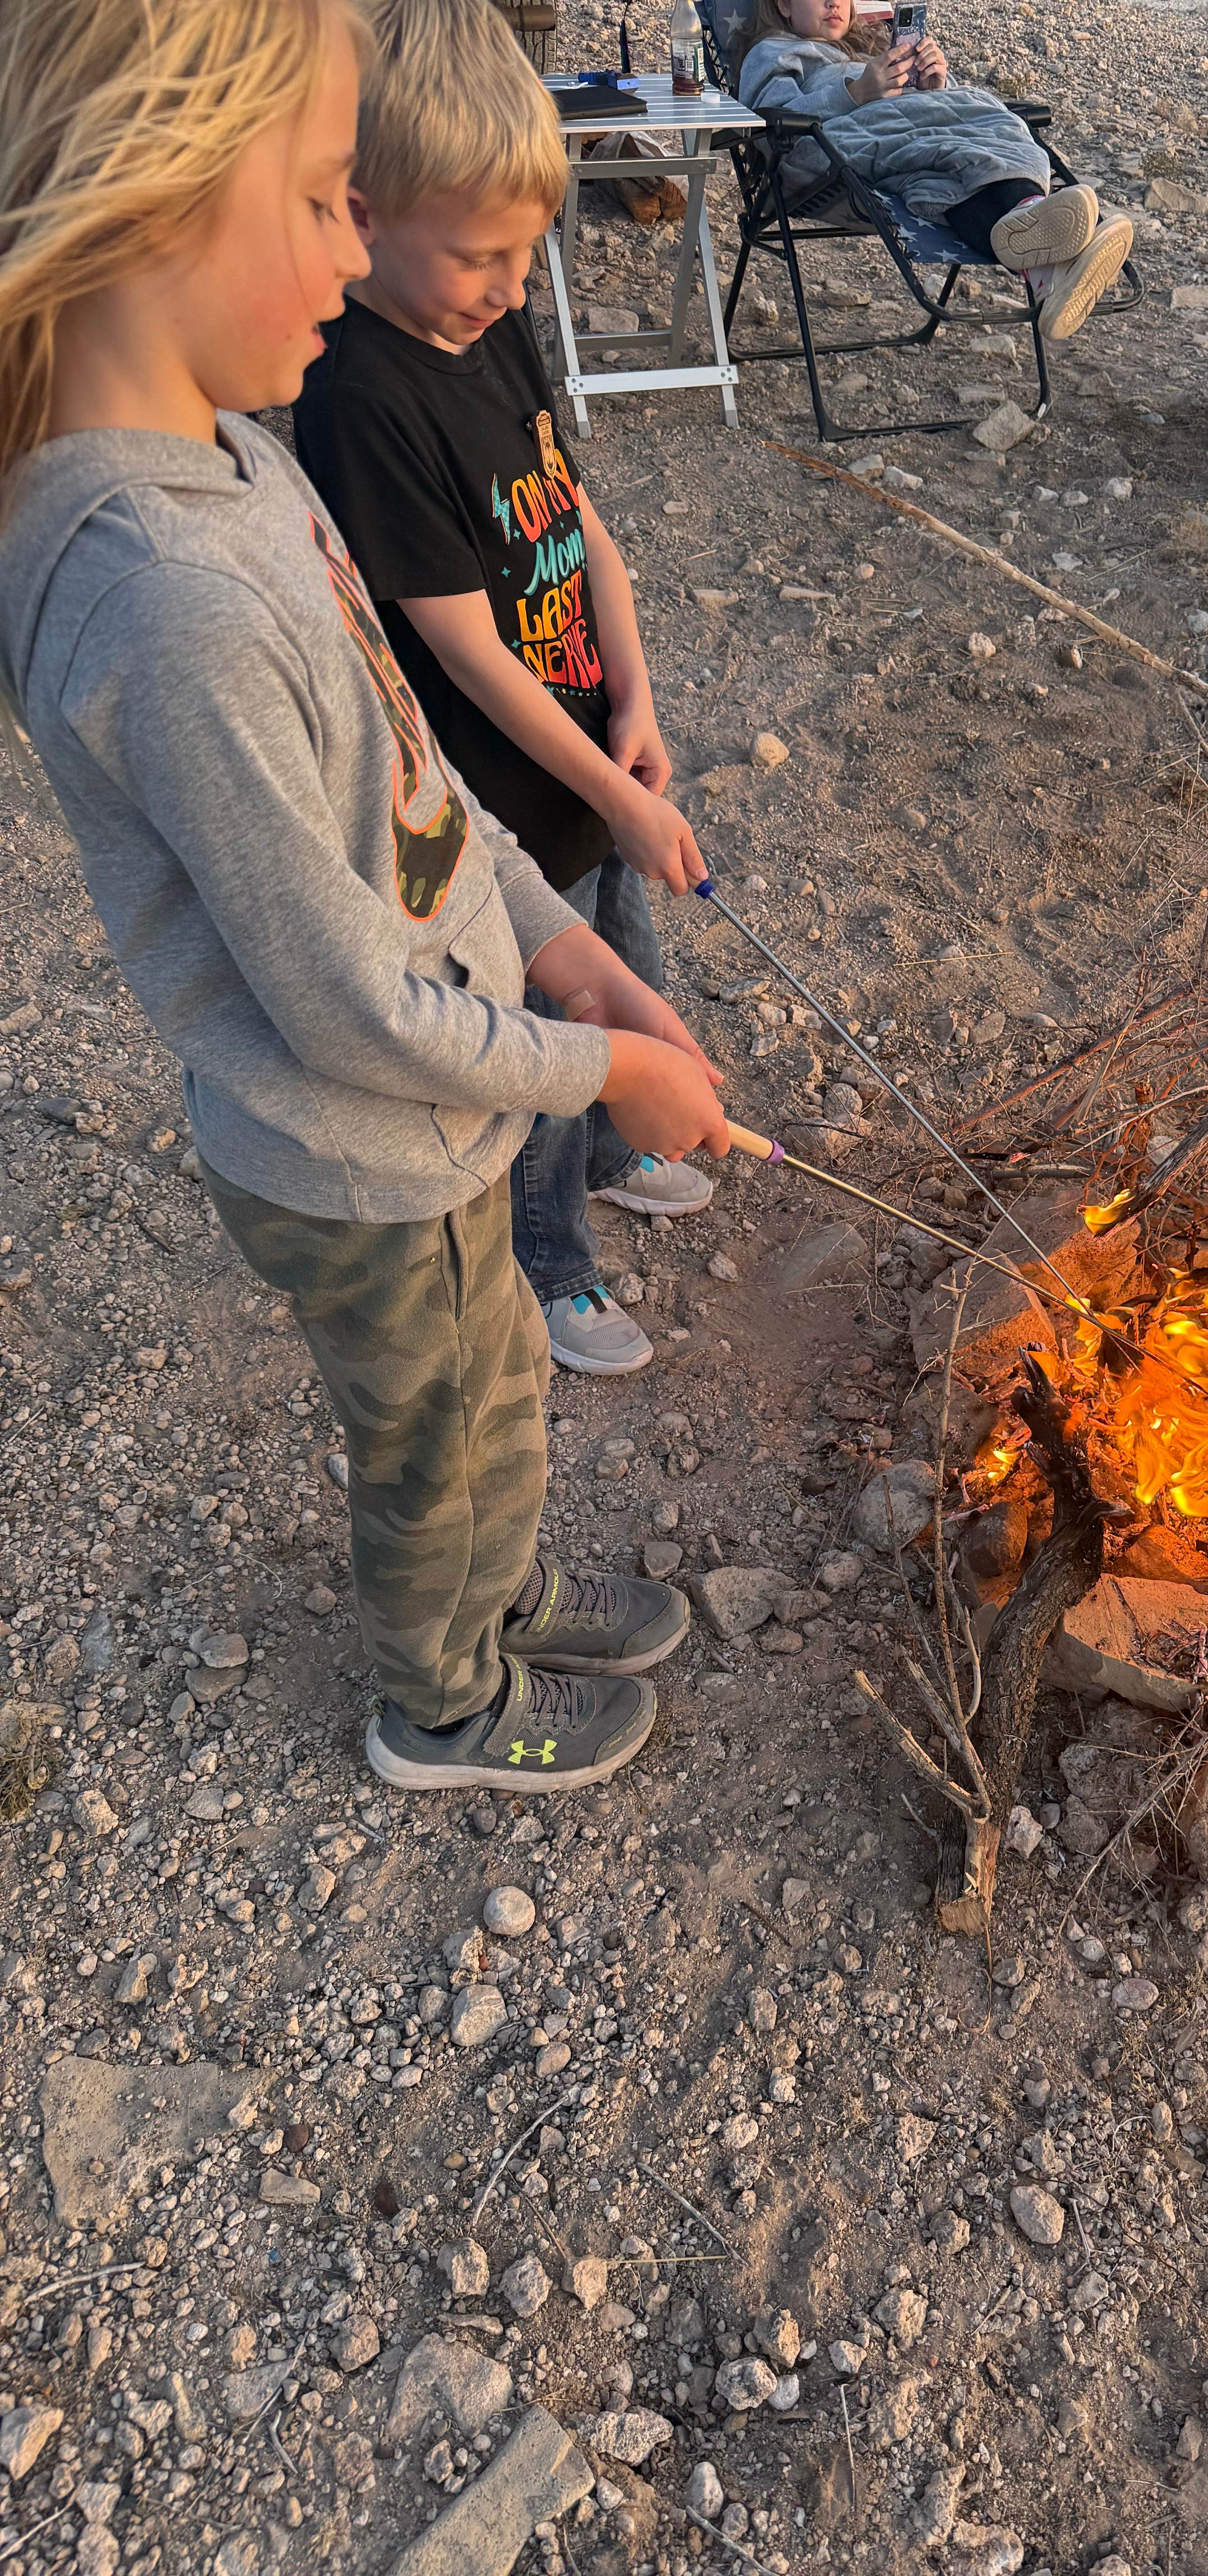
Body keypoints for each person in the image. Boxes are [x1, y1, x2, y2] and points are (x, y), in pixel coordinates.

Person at [0, 0, 729, 1794]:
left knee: (493, 1394)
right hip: (354, 1153)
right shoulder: (163, 600)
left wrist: (572, 960)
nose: (354, 248)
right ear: (164, 203)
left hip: (444, 1107)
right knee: (436, 1426)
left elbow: (416, 772)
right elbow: (343, 1007)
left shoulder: (248, 457)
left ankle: (500, 1595)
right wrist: (603, 1079)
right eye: (330, 199)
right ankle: (447, 1705)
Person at [295, 0, 711, 1385]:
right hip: (500, 798)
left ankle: (617, 1149)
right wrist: (606, 790)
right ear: (364, 218)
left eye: (524, 251)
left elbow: (583, 523)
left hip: (592, 760)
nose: (507, 283)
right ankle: (550, 1264)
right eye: (478, 254)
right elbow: (465, 650)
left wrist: (634, 708)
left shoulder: (494, 319)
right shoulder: (362, 393)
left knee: (626, 970)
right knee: (548, 1035)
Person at [736, 0, 1133, 340]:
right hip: (837, 156)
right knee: (957, 149)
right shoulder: (774, 52)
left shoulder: (873, 44)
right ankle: (1064, 243)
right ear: (784, 4)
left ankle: (1048, 278)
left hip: (908, 159)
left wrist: (936, 86)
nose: (834, 3)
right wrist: (855, 93)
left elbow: (947, 111)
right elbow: (769, 126)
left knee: (952, 174)